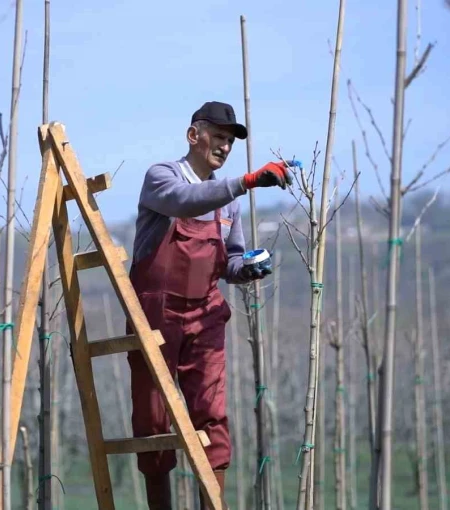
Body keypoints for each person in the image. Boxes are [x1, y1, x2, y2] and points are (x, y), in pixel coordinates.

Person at [126, 101, 293, 509]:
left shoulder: (228, 202)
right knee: (152, 416)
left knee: (212, 413)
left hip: (205, 315)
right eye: (218, 137)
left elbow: (229, 259)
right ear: (193, 135)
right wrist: (247, 181)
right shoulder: (162, 176)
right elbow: (185, 201)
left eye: (230, 141)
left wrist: (247, 268)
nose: (224, 147)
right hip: (156, 313)